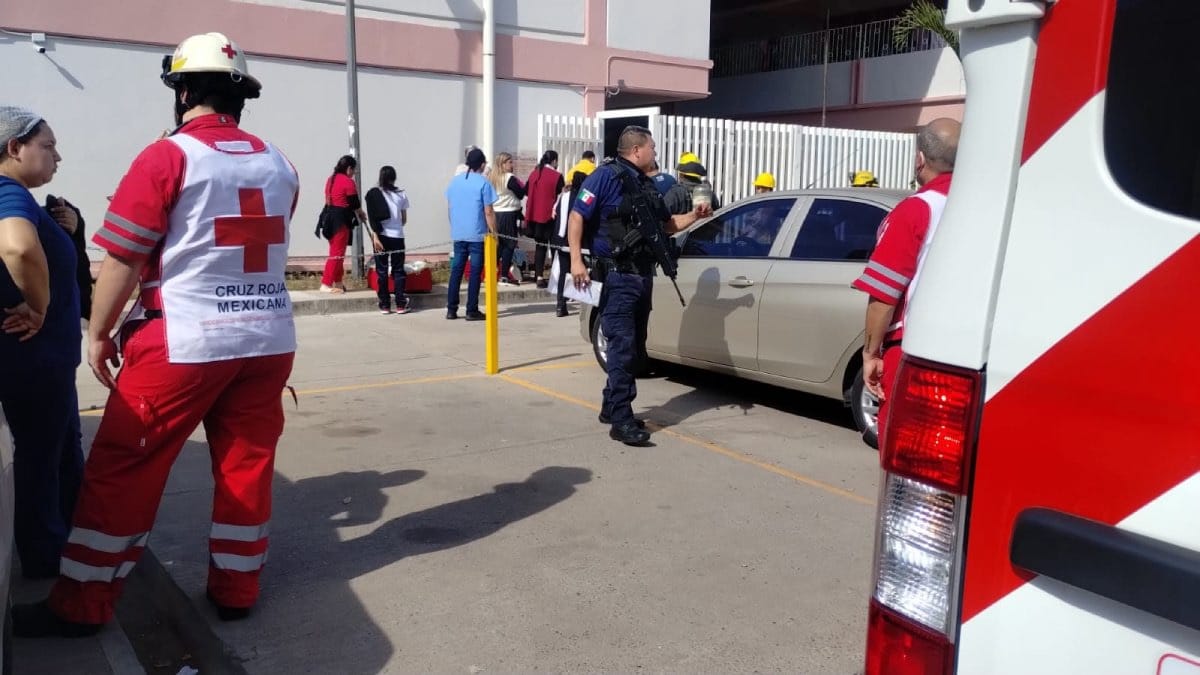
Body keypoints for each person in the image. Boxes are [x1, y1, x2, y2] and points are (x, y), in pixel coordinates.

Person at [14, 32, 300, 638]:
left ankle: (80, 606)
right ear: (241, 95)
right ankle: (236, 589)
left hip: (183, 341)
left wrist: (99, 333)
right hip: (268, 338)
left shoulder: (167, 157)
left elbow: (123, 257)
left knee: (122, 469)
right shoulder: (280, 162)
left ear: (184, 89)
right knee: (247, 466)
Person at [566, 126, 710, 445]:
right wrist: (576, 260)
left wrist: (695, 216)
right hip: (616, 277)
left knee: (633, 346)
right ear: (636, 151)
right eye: (652, 148)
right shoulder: (604, 177)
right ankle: (621, 419)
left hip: (640, 276)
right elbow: (577, 216)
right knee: (622, 345)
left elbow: (666, 225)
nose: (655, 153)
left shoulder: (645, 183)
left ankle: (610, 405)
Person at [0, 107, 85, 581]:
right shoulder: (5, 190)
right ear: (14, 148)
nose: (57, 157)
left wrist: (66, 232)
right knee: (40, 459)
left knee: (56, 453)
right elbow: (17, 247)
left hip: (48, 360)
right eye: (47, 146)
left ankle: (64, 541)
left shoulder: (21, 198)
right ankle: (46, 557)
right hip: (34, 360)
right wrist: (37, 305)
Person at [853, 118, 959, 445]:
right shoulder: (989, 206)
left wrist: (871, 353)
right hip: (968, 352)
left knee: (905, 449)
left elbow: (884, 294)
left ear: (920, 159)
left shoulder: (916, 210)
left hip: (914, 349)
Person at [445, 148, 497, 321]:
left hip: (459, 233)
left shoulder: (455, 182)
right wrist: (494, 232)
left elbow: (450, 208)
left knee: (456, 271)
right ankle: (471, 309)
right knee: (475, 272)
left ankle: (451, 309)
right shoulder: (483, 182)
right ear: (482, 164)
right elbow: (488, 211)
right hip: (477, 234)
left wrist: (455, 226)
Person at [364, 165, 411, 314]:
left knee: (382, 270)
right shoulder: (401, 194)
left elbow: (372, 217)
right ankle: (400, 304)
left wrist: (375, 235)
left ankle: (384, 304)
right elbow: (404, 219)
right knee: (398, 270)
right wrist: (396, 223)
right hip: (397, 236)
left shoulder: (375, 194)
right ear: (394, 177)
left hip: (380, 236)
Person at [551, 160, 594, 317]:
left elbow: (555, 213)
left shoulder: (564, 196)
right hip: (580, 241)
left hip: (562, 239)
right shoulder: (585, 196)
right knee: (585, 272)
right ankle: (584, 303)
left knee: (564, 272)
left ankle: (560, 305)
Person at [320, 155, 366, 294]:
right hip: (340, 220)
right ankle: (326, 283)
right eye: (354, 170)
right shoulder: (348, 182)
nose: (353, 174)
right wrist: (361, 213)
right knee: (337, 253)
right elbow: (354, 203)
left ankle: (338, 282)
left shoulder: (331, 179)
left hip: (328, 218)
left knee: (337, 251)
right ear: (349, 168)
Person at [523, 150, 563, 288]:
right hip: (550, 215)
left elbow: (526, 190)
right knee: (554, 247)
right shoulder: (556, 176)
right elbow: (560, 193)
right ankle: (556, 277)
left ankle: (539, 276)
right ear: (554, 161)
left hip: (535, 215)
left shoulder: (534, 173)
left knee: (540, 246)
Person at [488, 152, 526, 285]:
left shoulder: (492, 178)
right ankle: (504, 275)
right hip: (508, 213)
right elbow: (521, 194)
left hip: (496, 213)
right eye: (510, 162)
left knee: (498, 245)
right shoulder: (510, 178)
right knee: (509, 245)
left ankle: (491, 273)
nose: (512, 164)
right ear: (502, 164)